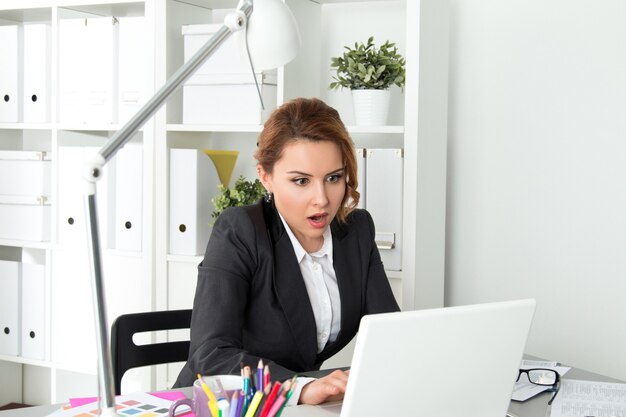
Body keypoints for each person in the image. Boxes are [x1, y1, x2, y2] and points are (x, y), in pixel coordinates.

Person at [174, 97, 400, 405]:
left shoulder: (356, 231)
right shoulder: (239, 231)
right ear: (266, 177)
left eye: (333, 178)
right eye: (301, 181)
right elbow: (209, 354)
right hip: (222, 405)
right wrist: (300, 388)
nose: (321, 199)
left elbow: (391, 336)